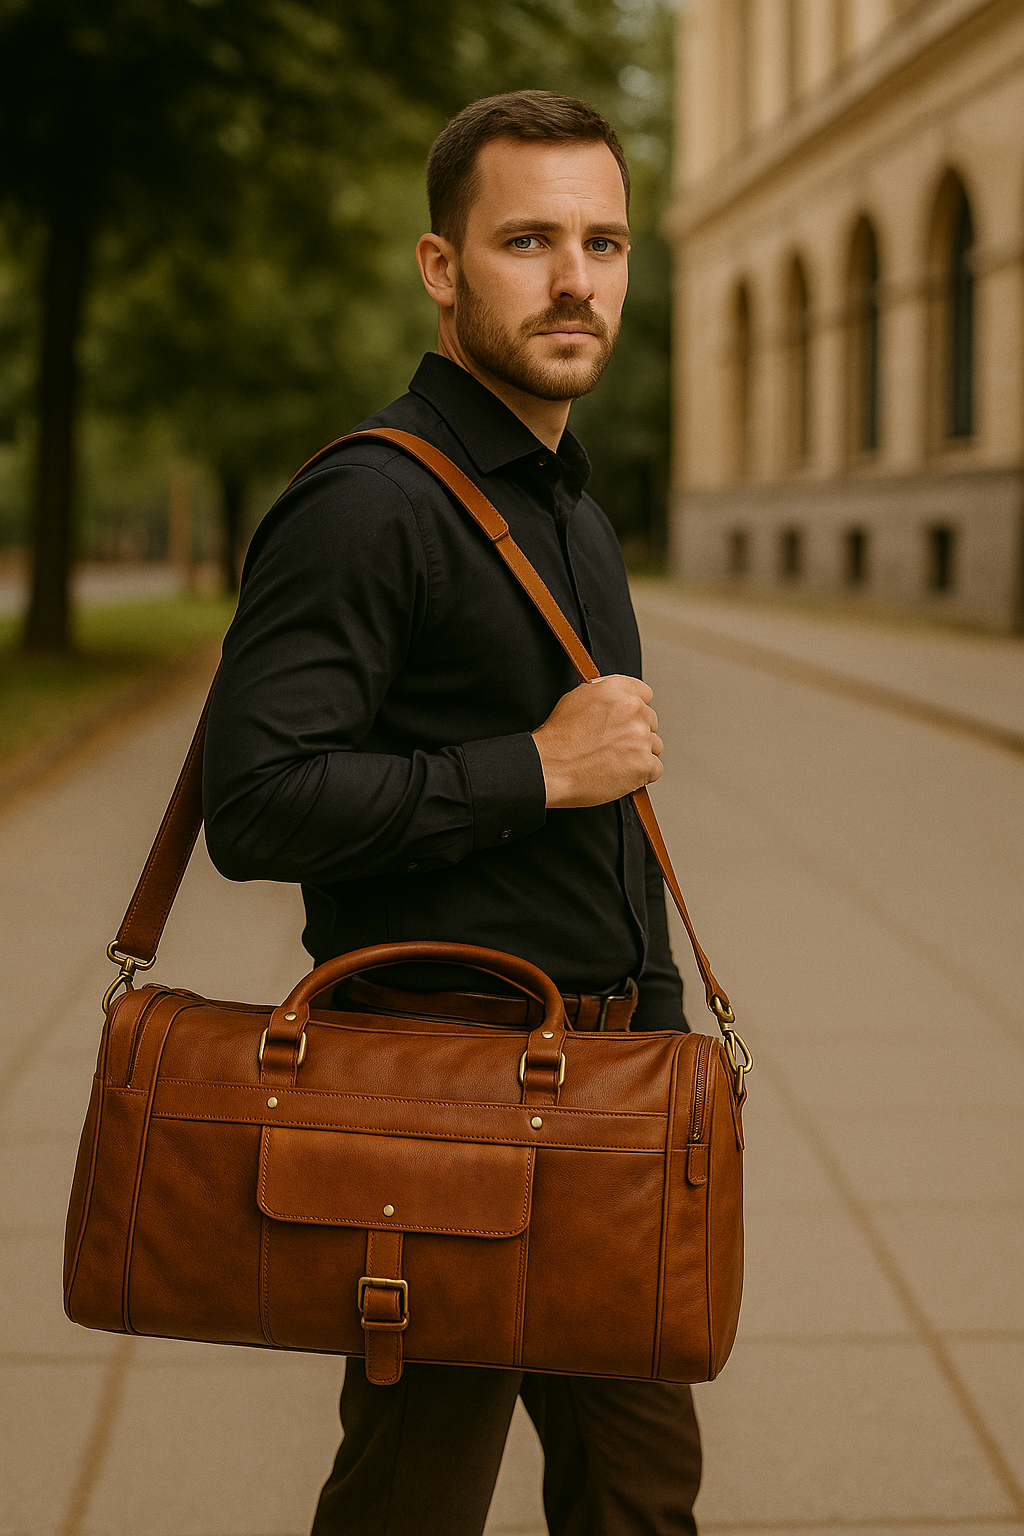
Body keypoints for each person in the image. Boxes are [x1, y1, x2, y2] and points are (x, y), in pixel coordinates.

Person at [203, 89, 702, 1536]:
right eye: (528, 239)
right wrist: (531, 767)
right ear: (441, 267)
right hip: (441, 1117)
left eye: (603, 242)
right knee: (414, 1503)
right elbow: (257, 800)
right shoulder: (370, 504)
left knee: (641, 1497)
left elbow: (614, 831)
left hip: (603, 1106)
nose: (574, 280)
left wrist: (663, 1062)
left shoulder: (572, 507)